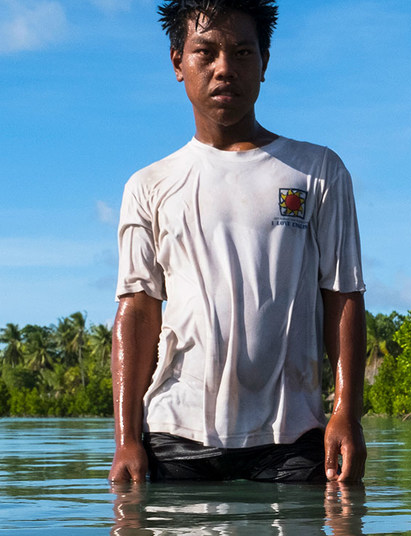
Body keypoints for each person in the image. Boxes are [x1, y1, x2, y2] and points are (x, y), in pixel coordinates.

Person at [108, 0, 366, 484]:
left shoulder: (317, 171)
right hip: (175, 437)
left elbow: (343, 294)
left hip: (293, 439)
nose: (224, 68)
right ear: (177, 62)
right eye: (205, 52)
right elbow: (138, 310)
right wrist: (126, 438)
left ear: (264, 64)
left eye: (243, 53)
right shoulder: (149, 185)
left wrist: (346, 412)